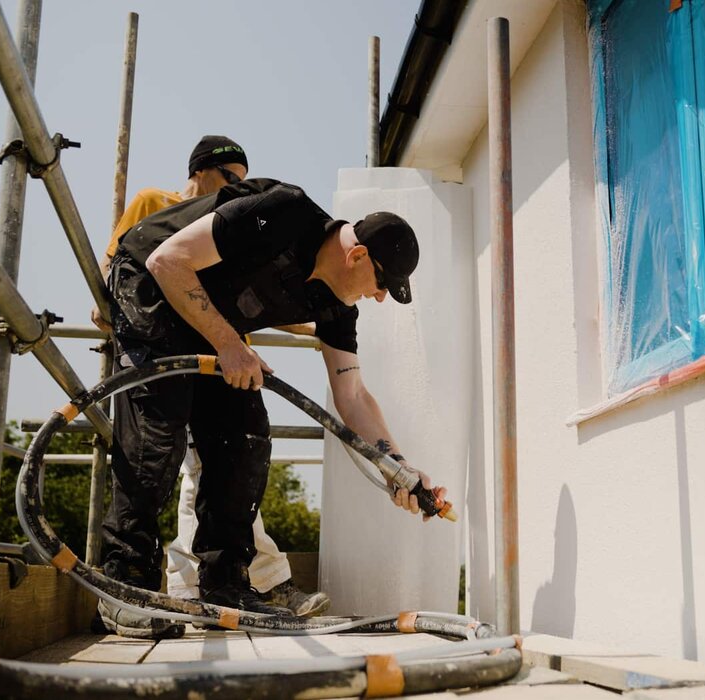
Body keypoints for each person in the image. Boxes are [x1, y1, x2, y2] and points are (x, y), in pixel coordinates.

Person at [96, 176, 445, 639]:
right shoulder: (283, 214)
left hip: (206, 318)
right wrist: (227, 343)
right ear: (357, 255)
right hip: (151, 285)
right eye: (382, 282)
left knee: (244, 435)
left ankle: (225, 585)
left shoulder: (336, 307)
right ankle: (125, 587)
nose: (380, 296)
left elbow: (353, 395)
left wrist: (397, 467)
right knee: (157, 436)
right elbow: (168, 260)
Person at [93, 137, 324, 637]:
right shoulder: (156, 203)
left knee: (239, 452)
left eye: (245, 179)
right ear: (199, 172)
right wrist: (110, 311)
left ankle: (227, 587)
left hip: (222, 348)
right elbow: (116, 269)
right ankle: (126, 586)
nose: (239, 189)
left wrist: (316, 329)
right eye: (230, 178)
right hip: (159, 333)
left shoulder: (234, 220)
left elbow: (244, 294)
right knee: (151, 454)